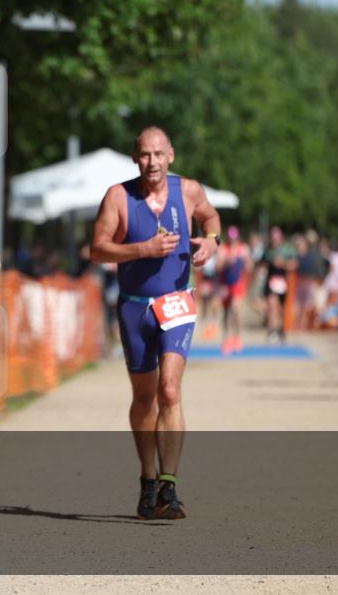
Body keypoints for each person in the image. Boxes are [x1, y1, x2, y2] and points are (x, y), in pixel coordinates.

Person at [91, 126, 221, 520]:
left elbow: (211, 217)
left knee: (169, 390)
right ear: (135, 158)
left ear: (171, 156)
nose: (152, 163)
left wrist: (213, 240)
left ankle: (169, 484)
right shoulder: (118, 196)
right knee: (145, 398)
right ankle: (147, 478)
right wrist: (142, 249)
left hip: (177, 302)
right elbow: (97, 249)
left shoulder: (190, 191)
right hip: (134, 307)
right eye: (145, 155)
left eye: (159, 154)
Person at [218, 225, 252, 354]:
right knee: (226, 312)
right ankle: (227, 339)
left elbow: (249, 266)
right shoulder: (223, 249)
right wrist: (227, 261)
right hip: (225, 283)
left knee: (236, 309)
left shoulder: (243, 249)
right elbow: (218, 267)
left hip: (238, 283)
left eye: (235, 238)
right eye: (231, 238)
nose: (233, 241)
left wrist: (244, 261)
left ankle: (237, 337)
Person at [261, 226, 297, 344]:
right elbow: (262, 263)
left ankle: (281, 329)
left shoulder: (287, 249)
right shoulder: (267, 250)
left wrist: (283, 263)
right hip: (271, 282)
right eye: (272, 238)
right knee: (272, 306)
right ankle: (272, 331)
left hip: (283, 282)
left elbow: (295, 264)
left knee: (280, 309)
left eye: (276, 238)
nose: (274, 240)